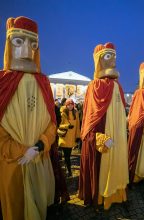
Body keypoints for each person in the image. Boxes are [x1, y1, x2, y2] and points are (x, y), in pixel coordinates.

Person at [0, 16, 56, 220]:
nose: (26, 51)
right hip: (12, 164)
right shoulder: (2, 82)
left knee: (39, 208)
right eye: (18, 41)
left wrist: (40, 146)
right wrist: (23, 149)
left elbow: (52, 122)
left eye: (33, 44)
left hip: (38, 161)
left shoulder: (44, 83)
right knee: (15, 209)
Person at [79, 42, 129, 210]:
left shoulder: (118, 86)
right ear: (99, 60)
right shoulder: (95, 85)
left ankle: (117, 192)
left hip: (118, 138)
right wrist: (98, 137)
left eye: (114, 56)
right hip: (105, 137)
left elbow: (122, 115)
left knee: (116, 163)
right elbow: (91, 117)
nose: (113, 61)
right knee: (104, 165)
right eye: (108, 56)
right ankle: (101, 197)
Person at [58, 98, 81, 177]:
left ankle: (68, 170)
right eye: (69, 104)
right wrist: (67, 126)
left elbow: (78, 125)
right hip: (64, 138)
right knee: (66, 156)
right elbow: (59, 125)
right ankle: (69, 170)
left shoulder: (76, 112)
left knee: (68, 155)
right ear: (66, 105)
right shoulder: (62, 112)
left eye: (72, 104)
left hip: (71, 139)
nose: (70, 106)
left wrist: (78, 136)